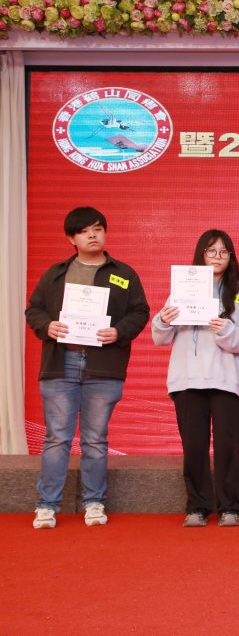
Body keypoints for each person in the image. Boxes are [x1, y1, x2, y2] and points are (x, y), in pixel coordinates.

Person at [25, 207, 150, 529]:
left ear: (105, 232)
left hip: (103, 366)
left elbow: (140, 311)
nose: (92, 235)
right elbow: (33, 310)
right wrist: (47, 325)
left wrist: (119, 331)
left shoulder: (123, 273)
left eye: (97, 229)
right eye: (83, 231)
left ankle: (94, 501)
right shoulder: (56, 274)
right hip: (60, 364)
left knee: (95, 439)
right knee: (57, 438)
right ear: (71, 238)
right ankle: (47, 505)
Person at [152, 230, 239, 528]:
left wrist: (226, 330)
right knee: (194, 446)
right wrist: (163, 319)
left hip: (226, 379)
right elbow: (160, 337)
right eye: (211, 251)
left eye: (224, 252)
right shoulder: (183, 288)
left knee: (227, 446)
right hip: (187, 379)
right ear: (201, 254)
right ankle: (197, 506)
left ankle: (230, 507)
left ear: (231, 257)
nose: (217, 257)